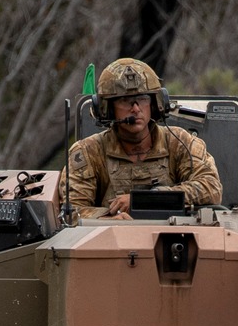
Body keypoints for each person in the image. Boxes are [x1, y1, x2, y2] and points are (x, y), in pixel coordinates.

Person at [66, 57, 222, 218]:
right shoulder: (88, 151)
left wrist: (145, 200)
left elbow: (211, 187)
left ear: (155, 105)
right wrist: (108, 219)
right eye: (125, 101)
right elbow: (72, 212)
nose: (136, 109)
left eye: (142, 99)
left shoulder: (179, 142)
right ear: (107, 109)